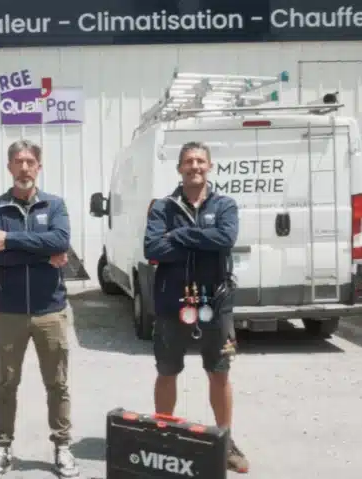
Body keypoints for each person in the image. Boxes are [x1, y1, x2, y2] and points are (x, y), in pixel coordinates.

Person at [143, 141, 250, 473]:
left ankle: (224, 440)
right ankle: (164, 435)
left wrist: (178, 236)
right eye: (188, 161)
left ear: (210, 166)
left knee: (219, 372)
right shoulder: (162, 207)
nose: (195, 166)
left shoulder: (225, 205)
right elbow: (152, 246)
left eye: (200, 161)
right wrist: (200, 237)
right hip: (171, 303)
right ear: (179, 168)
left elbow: (225, 239)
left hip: (215, 302)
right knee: (167, 371)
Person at [0, 139, 78, 479]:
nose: (24, 167)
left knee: (57, 382)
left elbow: (61, 241)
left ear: (39, 166)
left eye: (30, 161)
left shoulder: (55, 204)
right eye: (18, 161)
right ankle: (2, 447)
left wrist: (9, 239)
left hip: (51, 309)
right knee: (6, 383)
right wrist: (38, 250)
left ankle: (62, 446)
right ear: (9, 167)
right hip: (9, 312)